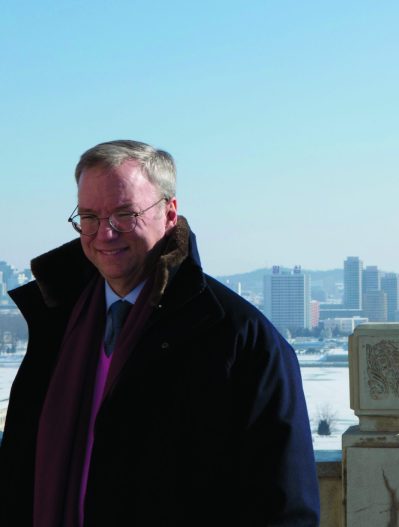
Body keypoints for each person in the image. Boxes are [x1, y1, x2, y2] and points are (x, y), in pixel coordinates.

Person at [0, 140, 320, 526]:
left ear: (169, 213)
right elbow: (18, 472)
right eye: (89, 217)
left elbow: (285, 508)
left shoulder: (240, 338)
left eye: (125, 214)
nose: (105, 233)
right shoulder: (55, 323)